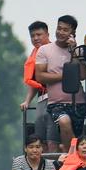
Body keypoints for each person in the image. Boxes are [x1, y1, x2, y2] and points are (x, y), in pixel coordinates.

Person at [35, 15, 86, 151]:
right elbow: (40, 76)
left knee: (79, 136)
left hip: (78, 102)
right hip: (56, 104)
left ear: (73, 33)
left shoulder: (78, 50)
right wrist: (66, 75)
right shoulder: (44, 50)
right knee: (64, 122)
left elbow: (82, 75)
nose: (61, 32)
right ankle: (73, 158)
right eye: (59, 28)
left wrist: (73, 52)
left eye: (65, 30)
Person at [20, 21, 59, 152]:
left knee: (52, 137)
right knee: (40, 137)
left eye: (39, 34)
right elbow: (33, 82)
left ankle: (55, 167)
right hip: (42, 99)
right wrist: (27, 101)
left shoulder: (56, 51)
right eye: (32, 36)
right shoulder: (34, 55)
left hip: (57, 99)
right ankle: (43, 169)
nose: (35, 38)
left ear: (47, 34)